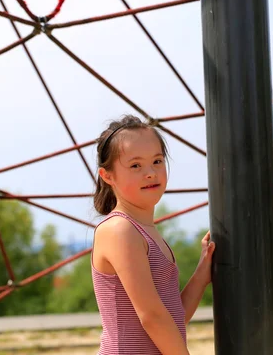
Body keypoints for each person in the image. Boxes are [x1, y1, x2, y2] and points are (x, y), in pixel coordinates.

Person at [91, 114, 215, 354]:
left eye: (157, 161)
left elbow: (171, 317)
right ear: (107, 176)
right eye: (136, 165)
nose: (150, 172)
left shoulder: (145, 231)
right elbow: (152, 317)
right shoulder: (120, 230)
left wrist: (202, 273)